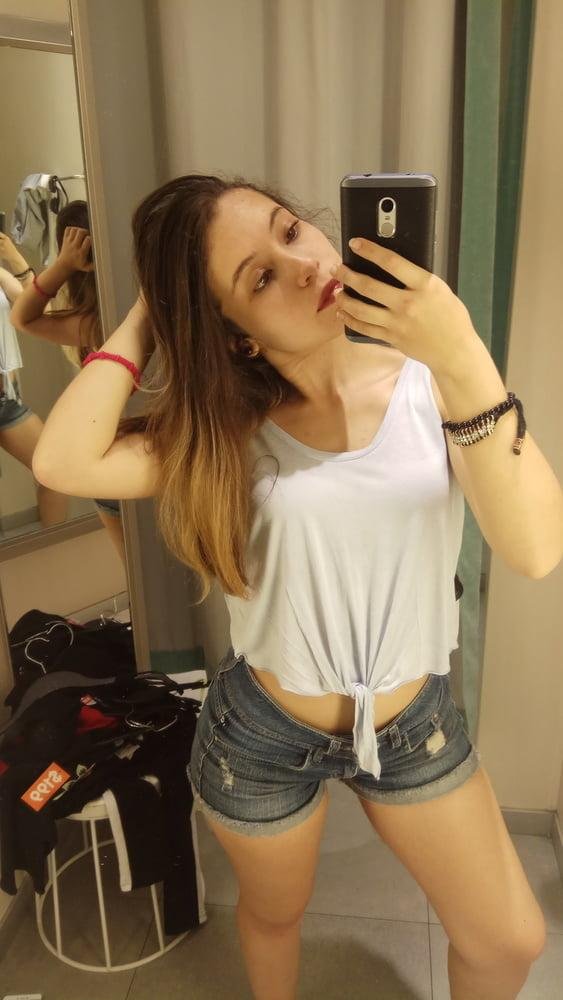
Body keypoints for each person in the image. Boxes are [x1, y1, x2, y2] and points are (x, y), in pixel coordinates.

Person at [29, 174, 549, 1000]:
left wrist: (459, 351)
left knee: (509, 941)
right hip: (264, 733)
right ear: (233, 335)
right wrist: (151, 314)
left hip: (411, 722)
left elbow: (535, 549)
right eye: (260, 277)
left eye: (289, 230)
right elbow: (61, 462)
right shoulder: (221, 434)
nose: (307, 263)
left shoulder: (431, 382)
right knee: (277, 915)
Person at [8, 202, 126, 564]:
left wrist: (63, 265)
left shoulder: (94, 323)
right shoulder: (123, 313)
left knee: (141, 573)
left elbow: (23, 317)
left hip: (110, 456)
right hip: (138, 456)